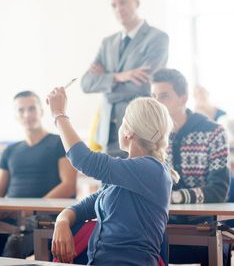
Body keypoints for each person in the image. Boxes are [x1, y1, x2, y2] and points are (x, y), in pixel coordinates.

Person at [47, 87, 178, 266]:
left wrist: (59, 114)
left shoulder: (151, 170)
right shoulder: (126, 173)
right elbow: (87, 205)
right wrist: (62, 220)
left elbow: (83, 160)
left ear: (129, 132)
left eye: (122, 122)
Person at [151, 68, 230, 265]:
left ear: (183, 98)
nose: (156, 102)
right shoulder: (151, 134)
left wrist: (174, 198)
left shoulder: (214, 132)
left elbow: (218, 191)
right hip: (160, 227)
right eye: (153, 96)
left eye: (164, 96)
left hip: (203, 228)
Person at [81, 0, 169, 158]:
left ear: (136, 2)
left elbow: (142, 87)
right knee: (108, 185)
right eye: (113, 5)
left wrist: (105, 82)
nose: (119, 8)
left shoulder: (157, 38)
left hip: (139, 132)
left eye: (123, 2)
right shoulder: (107, 43)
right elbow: (86, 83)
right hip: (108, 132)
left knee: (136, 183)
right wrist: (120, 76)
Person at [0, 91, 77, 258]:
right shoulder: (9, 151)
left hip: (44, 217)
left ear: (41, 111)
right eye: (21, 110)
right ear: (15, 115)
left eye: (31, 108)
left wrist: (29, 209)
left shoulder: (59, 142)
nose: (27, 114)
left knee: (15, 243)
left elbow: (69, 185)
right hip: (13, 216)